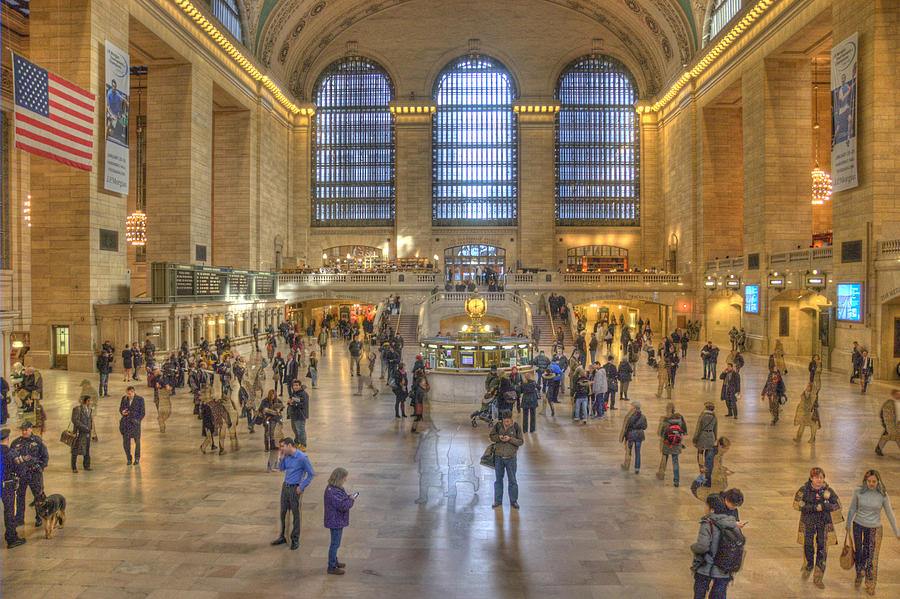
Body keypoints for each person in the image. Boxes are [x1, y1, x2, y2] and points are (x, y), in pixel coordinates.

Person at [846, 470, 899, 594]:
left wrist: (897, 531)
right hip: (858, 525)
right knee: (859, 553)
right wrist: (848, 523)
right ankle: (859, 572)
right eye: (869, 481)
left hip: (875, 528)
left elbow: (889, 512)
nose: (871, 484)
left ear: (878, 481)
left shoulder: (882, 494)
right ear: (865, 481)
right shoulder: (858, 491)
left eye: (874, 481)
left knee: (872, 557)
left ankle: (870, 582)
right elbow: (853, 507)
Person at [793, 467, 843, 589]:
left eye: (821, 477)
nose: (819, 480)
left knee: (822, 549)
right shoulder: (804, 490)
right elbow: (797, 504)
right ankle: (809, 564)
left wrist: (826, 506)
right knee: (808, 545)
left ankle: (818, 577)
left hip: (823, 524)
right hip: (808, 522)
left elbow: (837, 504)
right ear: (811, 478)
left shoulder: (828, 490)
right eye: (816, 477)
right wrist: (814, 508)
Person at [691, 493, 738, 599]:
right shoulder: (731, 523)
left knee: (699, 592)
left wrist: (693, 547)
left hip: (706, 567)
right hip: (724, 567)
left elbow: (703, 546)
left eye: (706, 505)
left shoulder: (707, 524)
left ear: (711, 509)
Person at [271, 438, 315, 551]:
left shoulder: (302, 458)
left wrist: (302, 486)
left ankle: (295, 539)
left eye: (282, 446)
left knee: (295, 515)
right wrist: (281, 458)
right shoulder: (286, 456)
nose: (281, 448)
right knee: (283, 513)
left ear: (289, 445)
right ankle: (283, 536)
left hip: (295, 488)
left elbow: (311, 474)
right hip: (285, 487)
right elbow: (282, 469)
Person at [10, 421, 48, 527]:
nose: (24, 432)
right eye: (22, 430)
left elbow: (45, 456)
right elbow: (12, 458)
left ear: (31, 429)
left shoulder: (38, 441)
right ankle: (19, 519)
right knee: (20, 497)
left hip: (34, 473)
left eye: (26, 430)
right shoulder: (16, 442)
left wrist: (40, 467)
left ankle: (39, 517)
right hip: (22, 474)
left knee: (38, 496)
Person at [324, 467, 356, 575]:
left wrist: (348, 497)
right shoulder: (332, 492)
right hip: (335, 521)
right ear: (339, 478)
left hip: (337, 520)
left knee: (336, 543)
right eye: (344, 478)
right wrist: (351, 500)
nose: (345, 480)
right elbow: (343, 505)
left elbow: (342, 498)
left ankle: (335, 561)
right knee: (335, 544)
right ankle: (331, 566)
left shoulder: (337, 488)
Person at [490, 412, 523, 509]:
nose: (507, 423)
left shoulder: (516, 427)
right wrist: (499, 438)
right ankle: (497, 500)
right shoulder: (498, 426)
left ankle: (514, 501)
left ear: (511, 420)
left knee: (512, 480)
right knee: (498, 480)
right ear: (503, 420)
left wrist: (510, 439)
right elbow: (492, 436)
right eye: (505, 421)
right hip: (499, 457)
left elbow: (520, 441)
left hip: (511, 458)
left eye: (508, 421)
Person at [1, 428, 26, 548]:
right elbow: (21, 470)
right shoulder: (12, 453)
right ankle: (11, 538)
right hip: (7, 486)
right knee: (9, 512)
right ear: (8, 439)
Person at [656, 402, 687, 487]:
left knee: (664, 458)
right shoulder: (680, 419)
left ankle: (661, 474)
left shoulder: (666, 420)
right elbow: (684, 431)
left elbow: (661, 433)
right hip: (676, 443)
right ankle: (676, 480)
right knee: (675, 461)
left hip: (667, 443)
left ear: (667, 409)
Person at [118, 386, 145, 465]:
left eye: (130, 394)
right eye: (127, 394)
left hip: (135, 424)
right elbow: (120, 408)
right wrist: (122, 412)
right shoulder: (124, 398)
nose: (128, 395)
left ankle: (137, 458)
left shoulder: (140, 399)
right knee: (126, 443)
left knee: (137, 442)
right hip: (126, 424)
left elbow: (142, 412)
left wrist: (138, 421)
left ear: (133, 392)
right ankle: (129, 458)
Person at [259, 390, 284, 472]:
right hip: (272, 433)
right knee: (273, 450)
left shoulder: (278, 411)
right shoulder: (265, 401)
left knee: (276, 451)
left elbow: (281, 424)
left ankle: (275, 464)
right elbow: (263, 410)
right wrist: (274, 412)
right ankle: (270, 466)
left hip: (277, 435)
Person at [620, 402, 647, 474]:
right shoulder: (643, 417)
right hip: (639, 435)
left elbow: (626, 427)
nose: (630, 408)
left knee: (628, 451)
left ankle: (627, 465)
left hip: (631, 435)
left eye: (631, 406)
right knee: (638, 452)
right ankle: (637, 468)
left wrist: (624, 437)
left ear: (634, 408)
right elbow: (645, 427)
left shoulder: (630, 416)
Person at [693, 401, 718, 478]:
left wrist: (695, 439)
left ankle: (701, 469)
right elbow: (715, 429)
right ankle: (707, 471)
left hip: (702, 436)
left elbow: (698, 428)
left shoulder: (702, 416)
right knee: (708, 456)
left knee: (700, 454)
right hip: (711, 436)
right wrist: (715, 439)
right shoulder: (714, 417)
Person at [70, 395, 93, 472]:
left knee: (87, 449)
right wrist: (84, 427)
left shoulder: (90, 409)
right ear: (86, 401)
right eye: (89, 401)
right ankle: (74, 467)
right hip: (79, 433)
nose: (91, 402)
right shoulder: (77, 409)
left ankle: (87, 465)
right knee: (75, 450)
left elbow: (90, 420)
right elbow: (75, 420)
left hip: (87, 433)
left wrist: (90, 429)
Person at [875, 390, 900, 456]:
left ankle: (878, 448)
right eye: (897, 394)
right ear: (893, 395)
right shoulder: (889, 403)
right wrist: (887, 424)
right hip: (891, 424)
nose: (899, 395)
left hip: (897, 424)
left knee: (890, 437)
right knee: (894, 437)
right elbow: (884, 414)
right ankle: (878, 448)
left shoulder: (898, 402)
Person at [286, 380, 309, 448]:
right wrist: (290, 402)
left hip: (300, 415)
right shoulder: (295, 393)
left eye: (297, 385)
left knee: (300, 430)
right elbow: (294, 401)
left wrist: (293, 403)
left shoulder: (303, 394)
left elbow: (302, 405)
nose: (295, 387)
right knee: (295, 429)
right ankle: (297, 442)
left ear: (300, 386)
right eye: (294, 386)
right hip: (294, 414)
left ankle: (303, 445)